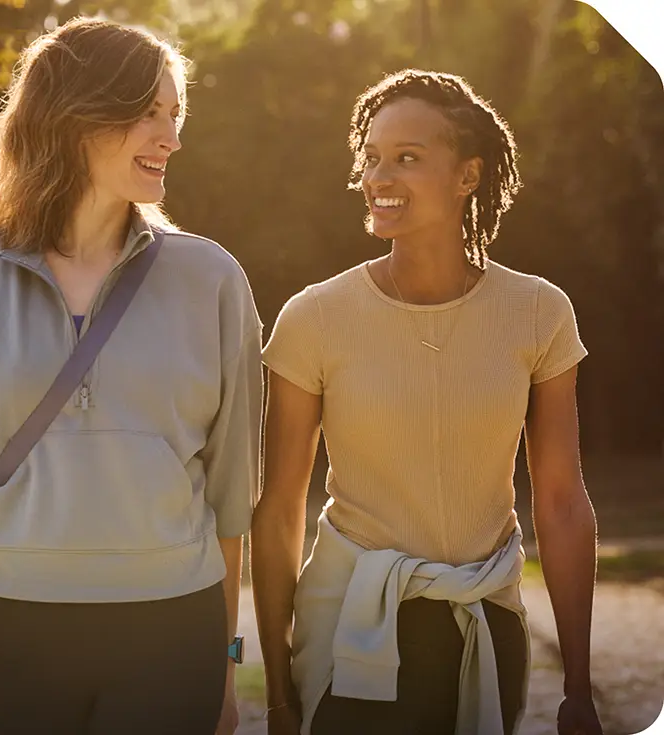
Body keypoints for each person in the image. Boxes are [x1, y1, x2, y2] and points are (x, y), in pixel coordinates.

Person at [0, 16, 263, 735]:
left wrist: (227, 668)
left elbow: (231, 501)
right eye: (148, 112)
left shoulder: (213, 279)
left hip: (177, 636)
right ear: (76, 116)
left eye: (175, 115)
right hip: (11, 634)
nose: (171, 137)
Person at [251, 69, 602, 735]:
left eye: (407, 158)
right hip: (349, 629)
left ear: (468, 176)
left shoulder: (538, 312)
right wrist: (275, 690)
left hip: (485, 625)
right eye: (372, 158)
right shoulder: (312, 318)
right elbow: (278, 511)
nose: (380, 177)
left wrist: (579, 687)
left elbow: (560, 500)